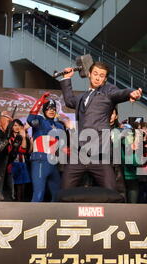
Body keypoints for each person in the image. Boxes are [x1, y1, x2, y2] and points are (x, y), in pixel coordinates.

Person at [59, 61, 142, 191]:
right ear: (89, 74)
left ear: (105, 79)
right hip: (80, 154)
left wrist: (131, 93)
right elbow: (69, 101)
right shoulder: (82, 97)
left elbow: (119, 93)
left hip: (100, 153)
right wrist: (67, 79)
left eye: (102, 76)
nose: (98, 78)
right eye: (95, 74)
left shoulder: (107, 92)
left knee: (111, 191)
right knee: (64, 189)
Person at [27, 94, 68, 202]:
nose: (51, 110)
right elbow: (30, 119)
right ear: (44, 110)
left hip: (54, 163)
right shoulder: (39, 121)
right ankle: (32, 218)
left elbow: (62, 145)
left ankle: (55, 218)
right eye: (49, 108)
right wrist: (39, 102)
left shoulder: (59, 126)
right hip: (40, 160)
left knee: (57, 196)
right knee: (39, 194)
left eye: (54, 109)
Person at [9, 119, 31, 202]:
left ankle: (22, 205)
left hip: (23, 163)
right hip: (13, 164)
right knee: (16, 187)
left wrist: (24, 137)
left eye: (18, 125)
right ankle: (17, 205)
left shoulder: (23, 136)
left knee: (22, 187)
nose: (17, 127)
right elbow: (20, 150)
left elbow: (25, 150)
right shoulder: (10, 138)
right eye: (14, 125)